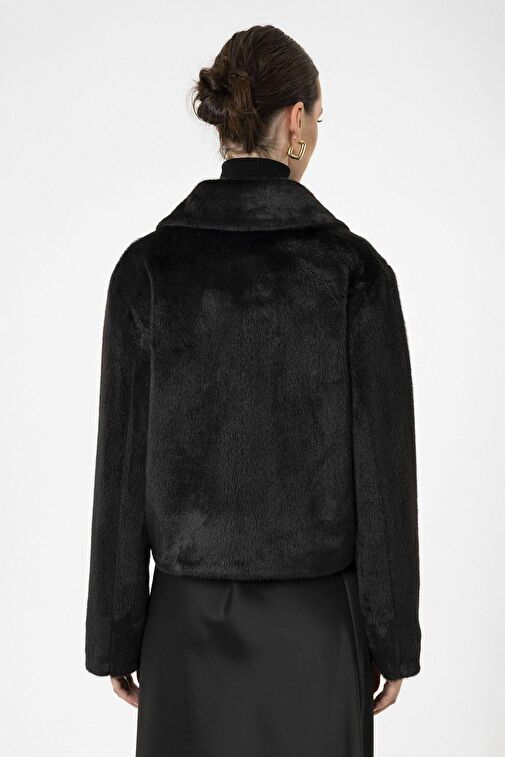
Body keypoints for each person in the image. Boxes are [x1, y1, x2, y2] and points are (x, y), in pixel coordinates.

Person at [85, 24, 421, 757]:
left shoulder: (148, 270)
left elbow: (121, 466)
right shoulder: (355, 274)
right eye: (318, 118)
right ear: (295, 121)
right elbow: (382, 474)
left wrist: (114, 631)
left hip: (183, 629)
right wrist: (394, 637)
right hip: (318, 631)